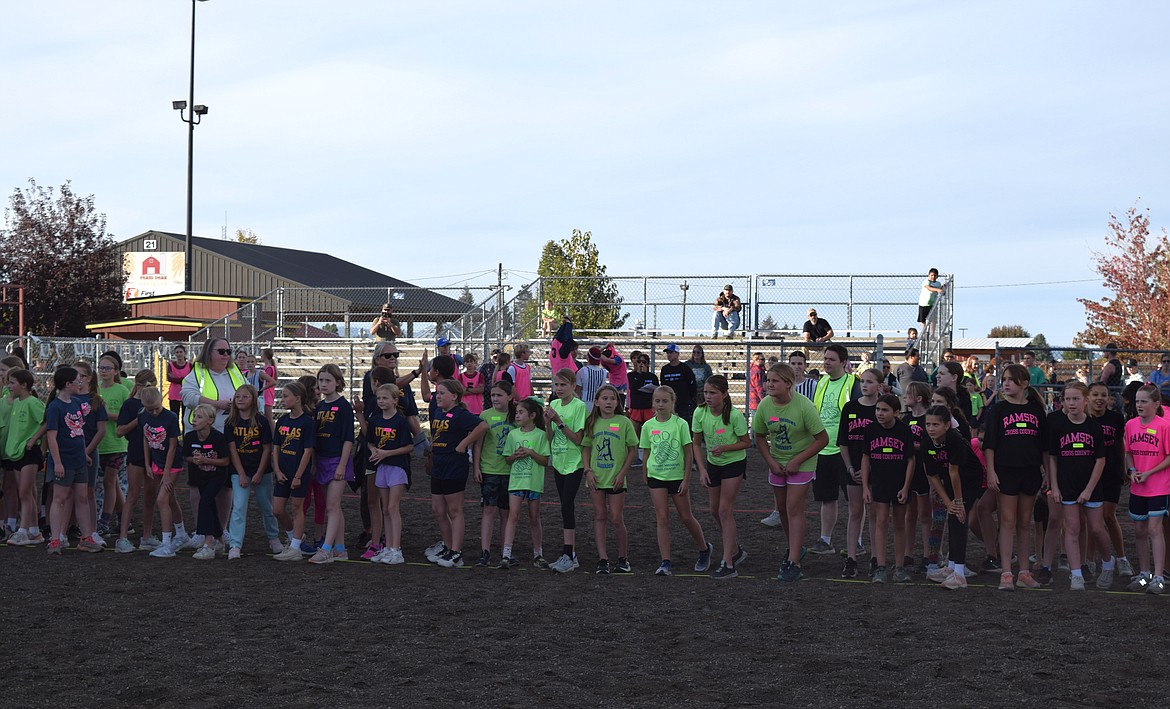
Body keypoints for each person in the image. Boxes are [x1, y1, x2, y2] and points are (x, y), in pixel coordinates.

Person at [753, 363, 828, 582]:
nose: (769, 384)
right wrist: (770, 461)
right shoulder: (765, 405)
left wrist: (797, 460)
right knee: (783, 509)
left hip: (802, 461)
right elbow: (758, 436)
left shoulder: (804, 406)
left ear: (788, 384)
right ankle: (794, 548)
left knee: (794, 508)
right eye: (768, 380)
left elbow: (822, 439)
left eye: (775, 381)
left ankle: (794, 561)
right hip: (777, 461)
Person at [983, 363, 1048, 591]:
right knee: (1007, 522)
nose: (1006, 384)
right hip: (1006, 471)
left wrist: (1047, 471)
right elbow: (989, 444)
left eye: (1011, 380)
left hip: (1030, 471)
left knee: (1024, 522)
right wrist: (991, 471)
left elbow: (1044, 447)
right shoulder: (999, 409)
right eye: (1004, 380)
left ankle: (1023, 572)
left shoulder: (1036, 410)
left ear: (1024, 383)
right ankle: (1006, 573)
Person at [1045, 381, 1114, 590]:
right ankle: (1076, 574)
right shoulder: (1058, 425)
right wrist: (1054, 487)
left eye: (1076, 399)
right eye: (1068, 399)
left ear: (1085, 401)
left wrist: (1089, 490)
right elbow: (1053, 459)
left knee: (1096, 528)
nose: (1072, 403)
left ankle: (1108, 563)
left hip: (1090, 486)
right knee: (1072, 528)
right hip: (1067, 485)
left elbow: (1100, 460)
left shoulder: (1094, 427)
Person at [639, 385, 711, 577]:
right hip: (656, 477)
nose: (660, 404)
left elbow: (688, 455)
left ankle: (704, 549)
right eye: (657, 401)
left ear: (673, 403)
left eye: (664, 401)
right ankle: (665, 561)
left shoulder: (680, 424)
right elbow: (646, 451)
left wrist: (686, 479)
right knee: (662, 518)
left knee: (686, 516)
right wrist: (645, 471)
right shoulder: (648, 426)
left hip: (677, 477)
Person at [426, 379, 489, 569]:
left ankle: (456, 552)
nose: (438, 396)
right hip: (439, 463)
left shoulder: (460, 414)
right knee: (438, 509)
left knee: (454, 510)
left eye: (443, 393)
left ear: (454, 396)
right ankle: (447, 545)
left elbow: (483, 426)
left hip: (454, 464)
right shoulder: (438, 412)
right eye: (438, 392)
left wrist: (464, 443)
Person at [693, 375, 751, 579]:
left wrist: (725, 447)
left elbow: (746, 442)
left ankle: (728, 563)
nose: (708, 396)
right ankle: (736, 550)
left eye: (713, 393)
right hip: (713, 464)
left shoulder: (734, 415)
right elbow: (696, 443)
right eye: (706, 392)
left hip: (733, 463)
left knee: (725, 510)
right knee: (714, 510)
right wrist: (701, 469)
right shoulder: (700, 412)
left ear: (724, 395)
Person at [921, 405, 983, 590]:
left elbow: (954, 472)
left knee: (959, 518)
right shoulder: (927, 443)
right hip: (949, 480)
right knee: (953, 517)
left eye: (936, 424)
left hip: (970, 480)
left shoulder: (955, 440)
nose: (931, 428)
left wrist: (958, 502)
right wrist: (949, 503)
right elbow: (932, 476)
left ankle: (960, 573)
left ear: (947, 425)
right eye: (928, 424)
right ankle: (951, 568)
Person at [809, 345, 861, 562]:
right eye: (825, 358)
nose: (826, 362)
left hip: (844, 450)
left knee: (854, 500)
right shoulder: (820, 383)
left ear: (843, 362)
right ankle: (825, 540)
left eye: (831, 359)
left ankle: (856, 542)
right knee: (826, 498)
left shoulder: (852, 383)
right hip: (822, 450)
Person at [44, 366, 101, 555]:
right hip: (65, 459)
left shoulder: (76, 403)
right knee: (60, 498)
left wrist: (83, 453)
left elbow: (79, 431)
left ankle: (86, 538)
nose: (80, 383)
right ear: (67, 384)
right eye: (77, 380)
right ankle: (55, 539)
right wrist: (58, 462)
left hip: (78, 459)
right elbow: (51, 437)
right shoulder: (55, 407)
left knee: (82, 497)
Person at [582, 384, 638, 574]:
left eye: (612, 398)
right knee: (599, 515)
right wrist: (587, 470)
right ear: (596, 402)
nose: (608, 402)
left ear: (617, 402)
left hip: (616, 478)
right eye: (604, 398)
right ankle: (602, 559)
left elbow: (632, 448)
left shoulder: (623, 422)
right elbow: (586, 447)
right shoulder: (592, 423)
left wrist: (622, 473)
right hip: (596, 478)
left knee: (616, 517)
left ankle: (623, 558)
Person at [860, 393, 915, 584]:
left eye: (885, 410)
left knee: (899, 524)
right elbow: (865, 458)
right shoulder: (871, 429)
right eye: (877, 409)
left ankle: (899, 567)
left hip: (899, 482)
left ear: (896, 412)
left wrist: (906, 486)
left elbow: (910, 460)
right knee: (881, 521)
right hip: (880, 482)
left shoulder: (903, 430)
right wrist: (866, 486)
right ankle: (881, 567)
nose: (880, 413)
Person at [224, 384, 283, 560]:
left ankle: (274, 538)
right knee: (239, 507)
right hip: (239, 470)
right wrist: (241, 474)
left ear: (253, 400)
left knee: (267, 506)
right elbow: (232, 449)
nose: (240, 399)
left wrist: (259, 472)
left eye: (245, 396)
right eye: (238, 397)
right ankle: (235, 544)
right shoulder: (230, 422)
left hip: (261, 471)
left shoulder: (262, 421)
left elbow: (267, 449)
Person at [1123, 384, 1170, 594]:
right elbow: (1128, 452)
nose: (1139, 405)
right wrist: (1132, 470)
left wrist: (1150, 472)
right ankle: (1144, 574)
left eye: (1144, 401)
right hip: (1138, 486)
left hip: (1159, 486)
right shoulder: (1131, 425)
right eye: (1137, 401)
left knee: (1154, 529)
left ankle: (1158, 577)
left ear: (1156, 404)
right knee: (1139, 531)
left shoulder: (1164, 426)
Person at [837, 367, 882, 577]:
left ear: (879, 386)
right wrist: (849, 467)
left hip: (877, 468)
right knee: (855, 512)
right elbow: (843, 442)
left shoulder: (882, 409)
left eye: (869, 382)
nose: (864, 385)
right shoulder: (850, 407)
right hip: (853, 468)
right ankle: (852, 558)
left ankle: (875, 557)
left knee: (874, 513)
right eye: (862, 381)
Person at [1086, 382, 1133, 578]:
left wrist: (1123, 468)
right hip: (1088, 474)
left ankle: (1121, 558)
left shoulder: (1115, 418)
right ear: (1088, 396)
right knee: (1090, 522)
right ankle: (1088, 562)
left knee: (1108, 516)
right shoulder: (1084, 419)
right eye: (1095, 394)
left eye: (1103, 395)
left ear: (1109, 398)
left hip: (1111, 471)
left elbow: (1120, 444)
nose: (1099, 398)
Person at [364, 383, 414, 565]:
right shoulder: (376, 420)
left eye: (385, 398)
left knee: (393, 508)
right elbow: (369, 441)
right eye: (378, 398)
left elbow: (409, 446)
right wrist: (374, 450)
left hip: (397, 467)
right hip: (382, 467)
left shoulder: (400, 421)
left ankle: (396, 549)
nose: (381, 401)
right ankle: (388, 547)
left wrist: (387, 453)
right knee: (385, 509)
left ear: (395, 400)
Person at [544, 368, 587, 573]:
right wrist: (547, 422)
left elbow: (578, 439)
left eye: (563, 385)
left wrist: (558, 422)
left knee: (566, 505)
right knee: (564, 505)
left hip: (574, 462)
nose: (559, 388)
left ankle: (568, 553)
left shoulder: (579, 406)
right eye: (556, 384)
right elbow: (550, 438)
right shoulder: (553, 404)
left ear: (572, 386)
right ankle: (570, 554)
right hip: (559, 461)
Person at [500, 399, 551, 569]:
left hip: (534, 482)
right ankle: (506, 554)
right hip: (516, 482)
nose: (517, 415)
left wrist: (530, 452)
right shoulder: (513, 434)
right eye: (517, 412)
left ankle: (538, 554)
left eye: (521, 412)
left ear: (532, 415)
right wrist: (515, 456)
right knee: (513, 516)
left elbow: (545, 461)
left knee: (534, 518)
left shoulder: (541, 435)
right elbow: (507, 459)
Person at [113, 370, 160, 553]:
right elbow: (120, 431)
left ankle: (147, 536)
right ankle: (123, 537)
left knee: (150, 496)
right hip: (136, 452)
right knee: (132, 494)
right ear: (139, 385)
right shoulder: (130, 405)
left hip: (154, 453)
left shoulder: (154, 403)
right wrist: (137, 419)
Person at [472, 380, 517, 567]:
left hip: (510, 470)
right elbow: (478, 444)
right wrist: (476, 467)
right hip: (489, 469)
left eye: (499, 395)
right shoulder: (485, 415)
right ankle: (485, 550)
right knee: (488, 509)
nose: (495, 398)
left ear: (509, 397)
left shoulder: (516, 416)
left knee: (506, 512)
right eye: (492, 395)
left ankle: (505, 550)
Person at [139, 387, 187, 558]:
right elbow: (145, 439)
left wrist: (167, 472)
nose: (153, 412)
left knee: (162, 499)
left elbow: (173, 445)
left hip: (172, 463)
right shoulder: (142, 415)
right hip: (156, 461)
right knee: (170, 498)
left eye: (156, 408)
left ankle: (167, 543)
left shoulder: (170, 417)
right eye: (149, 409)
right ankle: (181, 534)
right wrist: (147, 464)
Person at [272, 382, 317, 561]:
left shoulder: (307, 422)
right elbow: (276, 447)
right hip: (282, 471)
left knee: (297, 508)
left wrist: (298, 475)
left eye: (285, 396)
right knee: (277, 509)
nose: (282, 400)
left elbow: (308, 451)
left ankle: (296, 547)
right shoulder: (282, 421)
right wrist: (276, 469)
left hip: (299, 472)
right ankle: (294, 539)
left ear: (297, 399)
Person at [182, 404, 231, 560]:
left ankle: (207, 544)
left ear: (210, 420)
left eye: (199, 417)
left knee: (205, 502)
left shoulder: (218, 437)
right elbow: (186, 457)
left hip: (217, 476)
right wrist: (195, 460)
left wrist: (206, 460)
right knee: (209, 506)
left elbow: (225, 461)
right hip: (199, 477)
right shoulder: (189, 437)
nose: (195, 420)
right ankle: (220, 541)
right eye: (194, 416)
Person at [3, 369, 45, 546]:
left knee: (25, 493)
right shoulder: (18, 402)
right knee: (25, 492)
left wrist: (34, 439)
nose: (9, 386)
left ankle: (22, 531)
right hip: (17, 452)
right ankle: (34, 531)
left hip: (29, 452)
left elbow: (47, 421)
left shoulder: (33, 402)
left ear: (24, 385)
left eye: (12, 383)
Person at [96, 353, 130, 537]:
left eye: (108, 368)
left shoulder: (122, 390)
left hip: (116, 443)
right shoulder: (95, 390)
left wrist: (109, 415)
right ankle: (123, 518)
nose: (103, 371)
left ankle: (105, 522)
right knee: (105, 484)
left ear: (116, 371)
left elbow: (128, 417)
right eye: (101, 367)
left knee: (110, 482)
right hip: (98, 444)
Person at [659, 344, 697, 422]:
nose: (669, 355)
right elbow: (663, 385)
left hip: (682, 404)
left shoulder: (685, 368)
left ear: (677, 354)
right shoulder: (665, 369)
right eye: (667, 353)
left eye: (671, 352)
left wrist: (688, 399)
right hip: (669, 403)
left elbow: (693, 385)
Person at [575, 347, 609, 412]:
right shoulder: (603, 372)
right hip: (598, 404)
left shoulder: (582, 371)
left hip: (584, 402)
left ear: (588, 358)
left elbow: (578, 391)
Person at [166, 345, 192, 430]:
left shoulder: (190, 365)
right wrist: (184, 379)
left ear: (185, 353)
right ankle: (175, 438)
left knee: (186, 418)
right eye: (177, 352)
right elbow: (169, 378)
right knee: (174, 417)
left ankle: (185, 436)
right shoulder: (171, 365)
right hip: (174, 394)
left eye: (181, 352)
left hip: (186, 394)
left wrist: (177, 379)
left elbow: (192, 379)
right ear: (174, 354)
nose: (179, 354)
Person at [748, 352, 767, 417]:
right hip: (757, 401)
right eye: (762, 359)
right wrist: (764, 400)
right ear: (756, 360)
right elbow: (759, 388)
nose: (764, 361)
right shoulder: (757, 372)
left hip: (753, 401)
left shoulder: (752, 369)